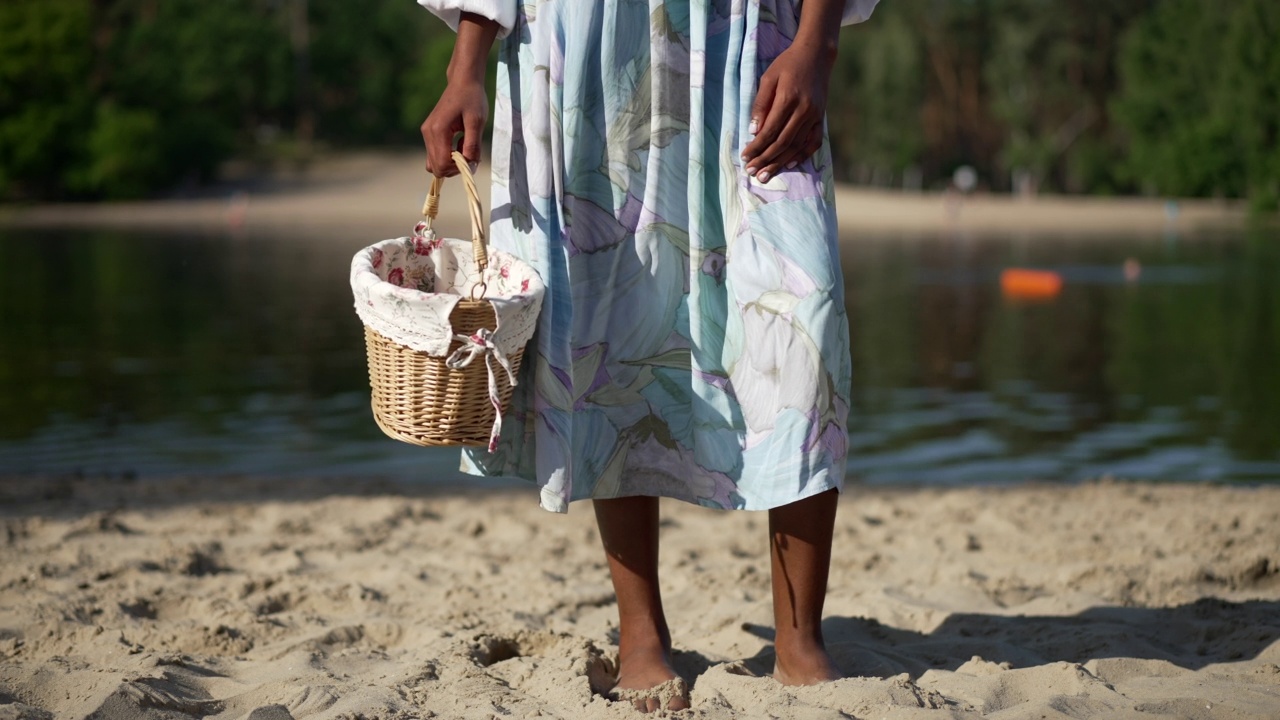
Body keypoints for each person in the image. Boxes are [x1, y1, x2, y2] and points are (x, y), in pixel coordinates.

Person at [416, 0, 878, 711]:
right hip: (584, 43)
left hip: (750, 42)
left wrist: (817, 45)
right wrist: (465, 67)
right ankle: (641, 636)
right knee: (612, 321)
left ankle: (800, 638)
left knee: (802, 316)